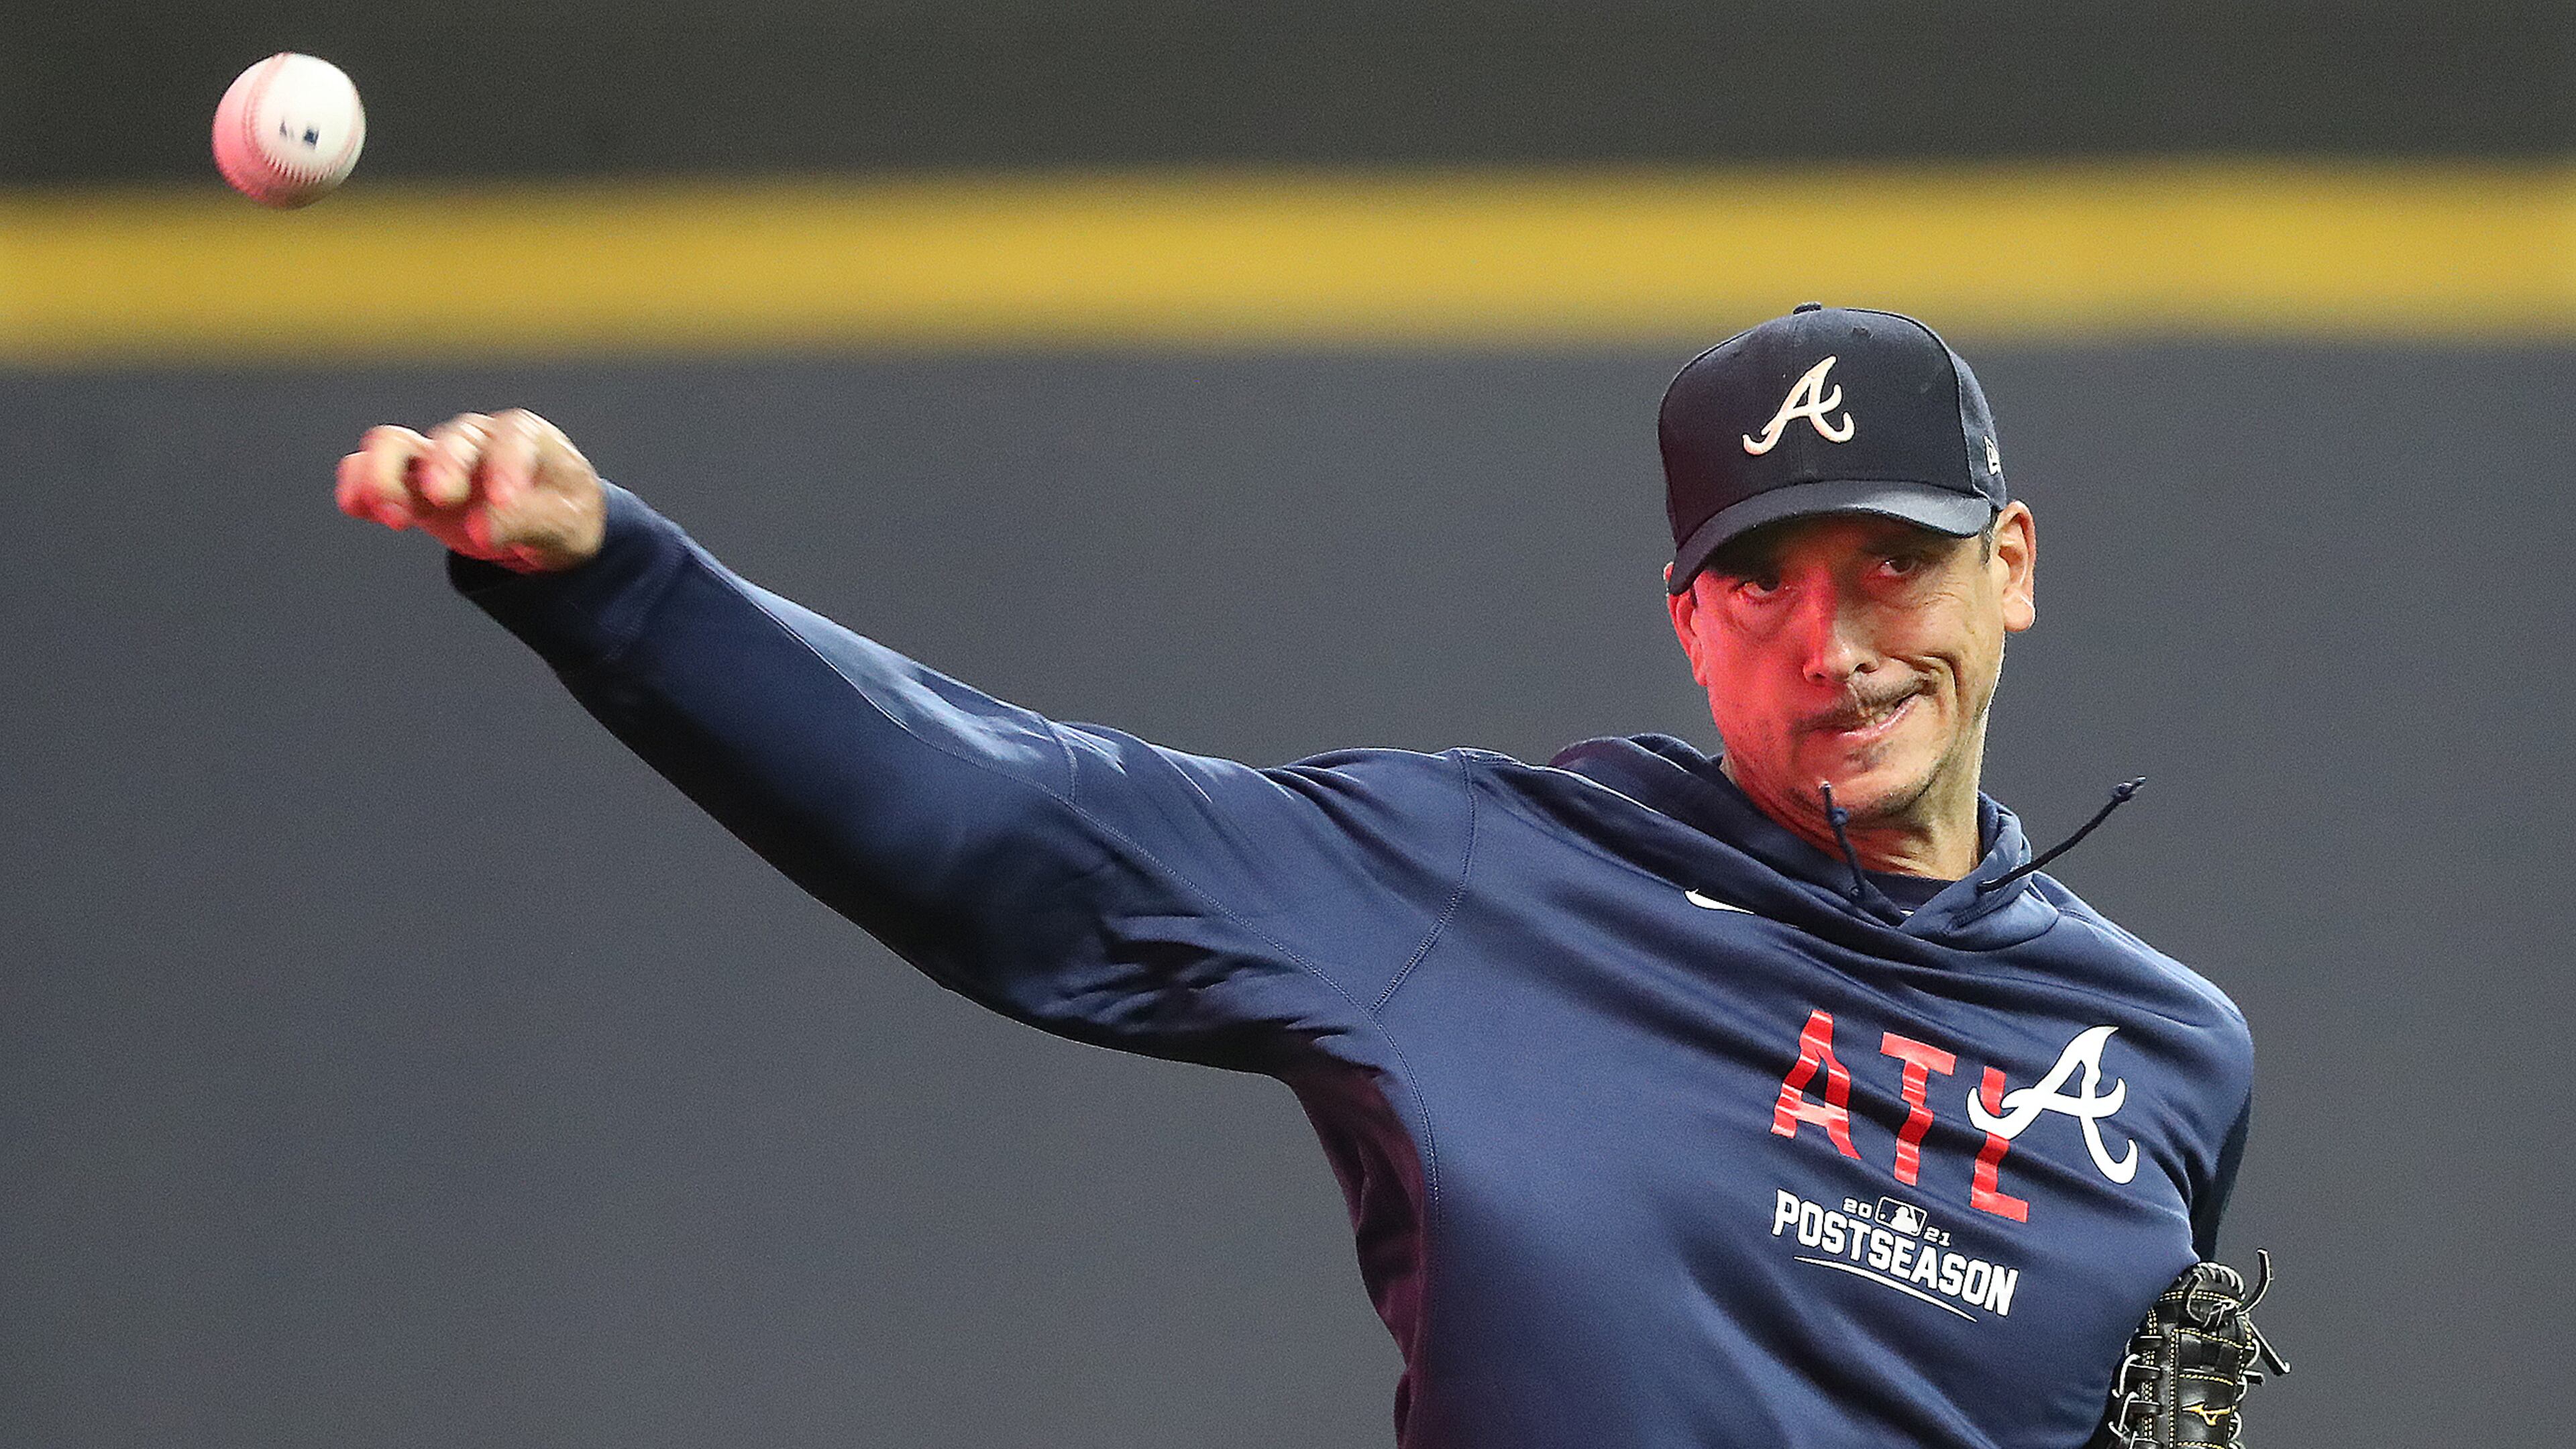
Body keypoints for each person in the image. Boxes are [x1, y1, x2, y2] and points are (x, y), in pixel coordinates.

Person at [335, 304, 2255, 1448]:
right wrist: (615, 578)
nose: (1830, 640)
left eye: (1888, 564)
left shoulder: (2162, 1062)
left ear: (2008, 563)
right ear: (1687, 619)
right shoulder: (1478, 887)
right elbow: (1023, 833)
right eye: (1765, 577)